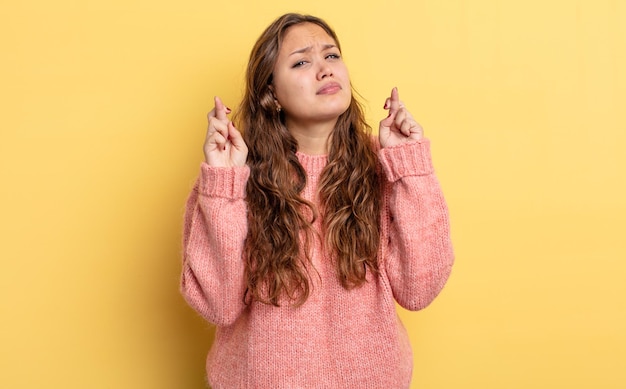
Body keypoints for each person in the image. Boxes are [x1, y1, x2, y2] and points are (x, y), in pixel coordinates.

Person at [180, 12, 454, 389]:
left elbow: (419, 289)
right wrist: (223, 184)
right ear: (271, 93)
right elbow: (217, 305)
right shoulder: (232, 176)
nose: (325, 70)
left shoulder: (384, 166)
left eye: (332, 55)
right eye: (302, 61)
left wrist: (410, 167)